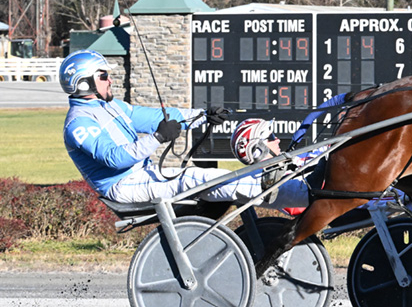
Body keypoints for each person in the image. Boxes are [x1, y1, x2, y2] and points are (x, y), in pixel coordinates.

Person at [60, 49, 305, 208]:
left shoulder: (112, 106)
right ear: (83, 83)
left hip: (143, 175)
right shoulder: (78, 124)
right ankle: (299, 195)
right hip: (122, 186)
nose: (110, 79)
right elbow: (114, 159)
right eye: (103, 76)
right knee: (202, 177)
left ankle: (289, 193)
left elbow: (162, 117)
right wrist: (157, 138)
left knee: (212, 181)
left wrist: (203, 115)